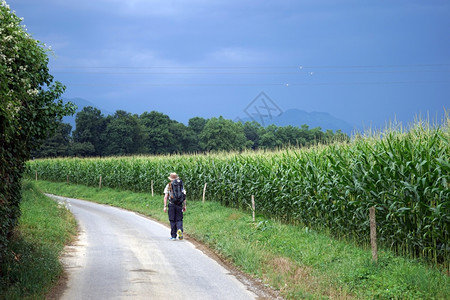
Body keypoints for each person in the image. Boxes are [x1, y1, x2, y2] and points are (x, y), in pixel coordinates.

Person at [163, 173, 186, 240]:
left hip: (172, 204)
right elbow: (184, 196)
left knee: (172, 220)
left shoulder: (169, 185)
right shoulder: (181, 185)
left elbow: (165, 197)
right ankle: (179, 229)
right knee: (179, 219)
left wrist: (165, 206)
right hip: (179, 205)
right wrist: (184, 206)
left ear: (170, 178)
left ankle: (173, 236)